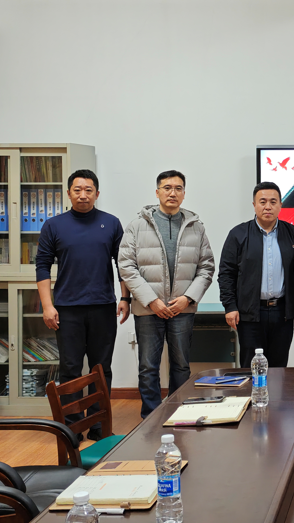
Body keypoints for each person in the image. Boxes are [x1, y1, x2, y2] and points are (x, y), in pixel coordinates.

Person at [35, 169, 130, 442]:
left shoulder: (111, 223)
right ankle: (72, 428)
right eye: (77, 190)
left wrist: (125, 298)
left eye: (88, 190)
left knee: (101, 369)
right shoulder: (53, 225)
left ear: (97, 194)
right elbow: (42, 266)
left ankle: (100, 426)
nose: (83, 195)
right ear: (68, 193)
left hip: (103, 306)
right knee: (70, 370)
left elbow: (123, 264)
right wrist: (47, 306)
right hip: (67, 309)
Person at [118, 170, 214, 418]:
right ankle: (150, 418)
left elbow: (206, 267)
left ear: (184, 193)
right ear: (157, 192)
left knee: (181, 365)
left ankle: (178, 413)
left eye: (178, 188)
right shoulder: (137, 226)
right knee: (148, 367)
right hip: (148, 309)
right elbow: (126, 266)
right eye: (167, 188)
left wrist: (187, 299)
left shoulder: (196, 227)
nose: (173, 193)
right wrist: (152, 301)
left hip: (182, 309)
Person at [218, 182, 294, 368]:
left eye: (273, 202)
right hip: (250, 313)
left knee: (279, 367)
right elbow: (226, 274)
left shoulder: (292, 233)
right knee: (251, 367)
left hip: (282, 313)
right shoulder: (238, 234)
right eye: (263, 201)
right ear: (254, 205)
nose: (268, 206)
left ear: (280, 205)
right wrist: (230, 306)